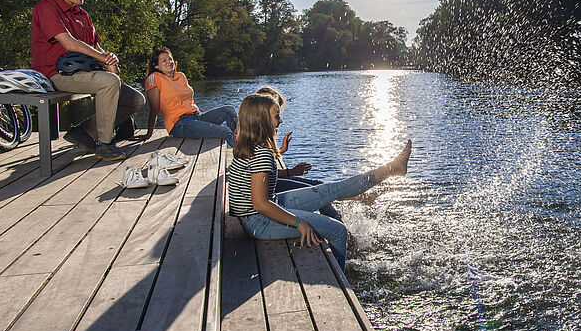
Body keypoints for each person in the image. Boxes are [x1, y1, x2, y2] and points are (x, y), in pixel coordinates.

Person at [227, 92, 411, 271]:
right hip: (259, 222)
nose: (280, 121)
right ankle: (341, 282)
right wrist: (298, 222)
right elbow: (260, 204)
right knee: (338, 231)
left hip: (259, 213)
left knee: (330, 190)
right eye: (276, 117)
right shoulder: (261, 154)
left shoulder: (250, 147)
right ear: (261, 121)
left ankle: (392, 168)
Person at [31, 0, 145, 161]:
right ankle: (105, 144)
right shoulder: (45, 7)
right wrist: (102, 59)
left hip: (85, 72)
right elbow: (69, 43)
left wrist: (109, 58)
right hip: (56, 75)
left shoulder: (83, 15)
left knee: (136, 99)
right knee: (108, 82)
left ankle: (84, 132)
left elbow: (96, 47)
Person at [255, 85, 342, 221]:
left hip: (267, 187)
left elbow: (263, 167)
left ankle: (340, 213)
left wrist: (280, 151)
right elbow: (264, 175)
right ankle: (341, 224)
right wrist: (292, 172)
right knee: (319, 192)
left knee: (318, 185)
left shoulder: (259, 133)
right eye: (277, 114)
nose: (281, 120)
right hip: (267, 192)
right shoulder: (256, 137)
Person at [142, 47, 237, 146]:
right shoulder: (155, 78)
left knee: (229, 110)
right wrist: (149, 133)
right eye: (164, 60)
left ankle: (244, 142)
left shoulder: (181, 76)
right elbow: (154, 108)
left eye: (170, 59)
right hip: (179, 124)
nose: (169, 62)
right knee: (224, 131)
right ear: (156, 65)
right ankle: (245, 155)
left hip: (197, 117)